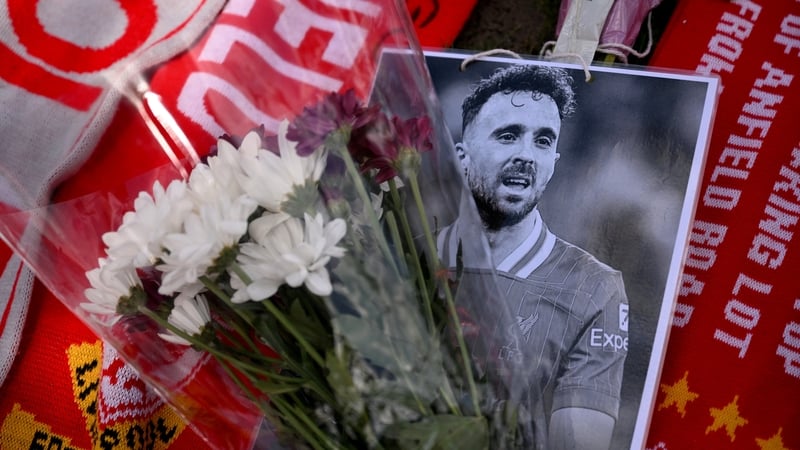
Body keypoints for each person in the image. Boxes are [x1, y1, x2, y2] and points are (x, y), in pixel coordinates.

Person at [436, 63, 629, 449]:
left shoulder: (594, 289)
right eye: (508, 135)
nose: (527, 155)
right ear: (462, 157)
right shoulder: (405, 256)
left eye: (543, 141)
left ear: (553, 162)